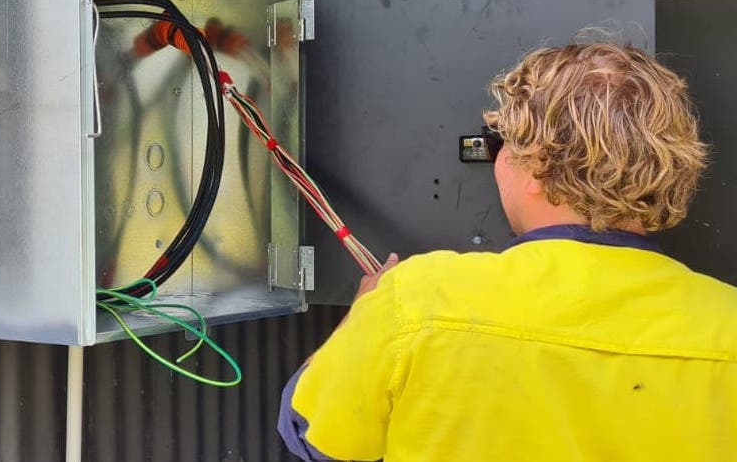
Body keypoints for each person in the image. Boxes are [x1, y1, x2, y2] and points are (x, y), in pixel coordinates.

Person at [278, 42, 737, 461]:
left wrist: (363, 311)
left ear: (536, 162)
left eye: (499, 143)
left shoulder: (412, 301)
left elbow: (309, 435)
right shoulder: (727, 323)